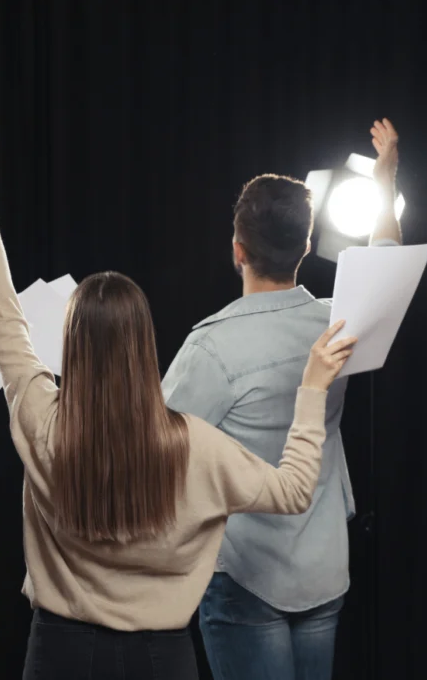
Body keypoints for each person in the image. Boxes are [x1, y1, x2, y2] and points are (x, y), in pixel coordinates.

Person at [0, 118, 358, 680]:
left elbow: (4, 319)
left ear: (70, 346)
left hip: (60, 651)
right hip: (162, 658)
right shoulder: (195, 447)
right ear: (145, 346)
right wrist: (311, 389)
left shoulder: (43, 418)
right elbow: (294, 489)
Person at [160, 120, 404, 680]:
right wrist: (385, 179)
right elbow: (388, 264)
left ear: (237, 250)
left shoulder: (210, 346)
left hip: (244, 574)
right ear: (307, 247)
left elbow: (155, 449)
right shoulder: (341, 322)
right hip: (322, 565)